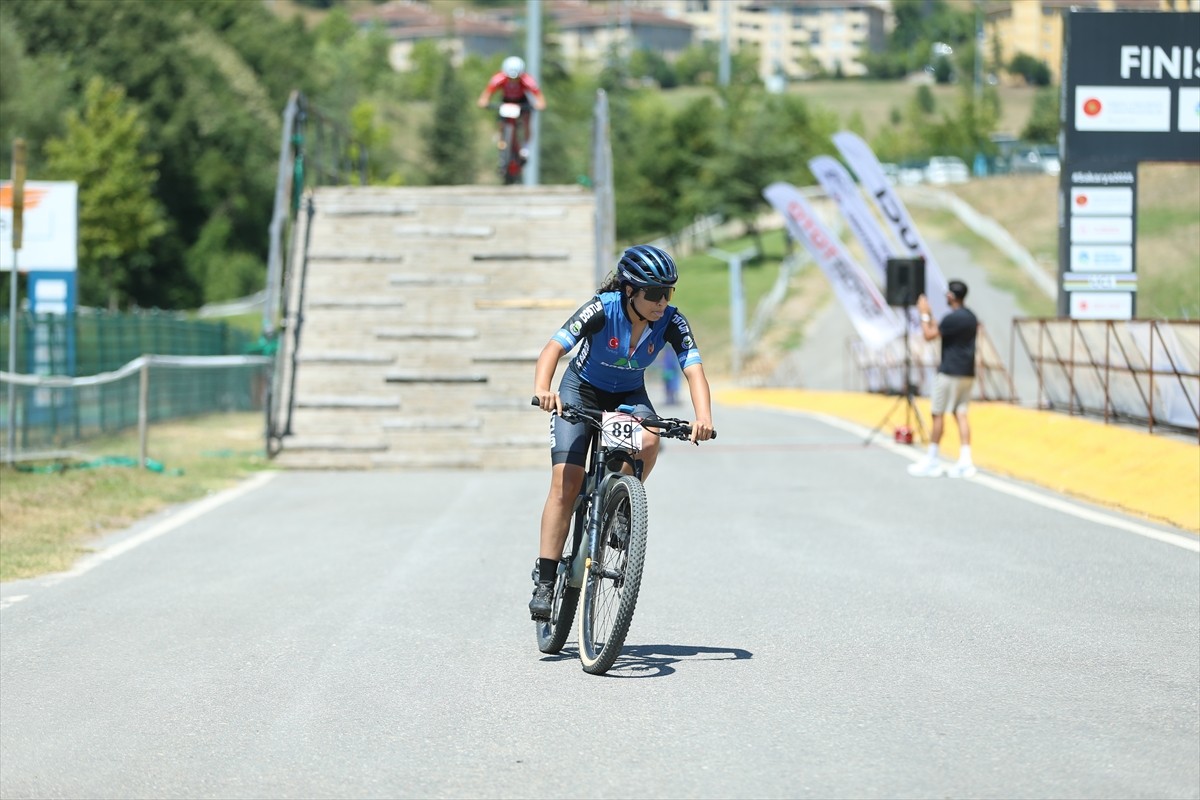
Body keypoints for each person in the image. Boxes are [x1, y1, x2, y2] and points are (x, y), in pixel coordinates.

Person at [529, 244, 714, 619]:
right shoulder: (602, 308)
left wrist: (703, 417)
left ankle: (618, 504)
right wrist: (543, 388)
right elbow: (553, 348)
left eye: (669, 292)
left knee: (650, 438)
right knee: (565, 483)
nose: (663, 302)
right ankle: (546, 580)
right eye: (655, 294)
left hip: (628, 394)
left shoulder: (672, 322)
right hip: (579, 390)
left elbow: (693, 369)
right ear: (630, 291)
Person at [908, 279, 978, 478]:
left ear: (951, 296)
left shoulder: (952, 318)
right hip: (966, 372)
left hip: (948, 372)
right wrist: (929, 314)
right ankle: (966, 460)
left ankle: (932, 458)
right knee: (961, 413)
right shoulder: (970, 317)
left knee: (937, 413)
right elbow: (943, 328)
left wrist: (922, 314)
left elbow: (929, 334)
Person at [476, 55, 546, 163]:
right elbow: (486, 94)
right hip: (506, 101)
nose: (513, 80)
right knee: (501, 121)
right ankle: (501, 137)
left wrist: (540, 104)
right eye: (510, 78)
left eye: (516, 78)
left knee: (527, 121)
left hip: (522, 102)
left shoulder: (528, 80)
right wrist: (484, 101)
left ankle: (525, 147)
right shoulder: (498, 78)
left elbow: (539, 97)